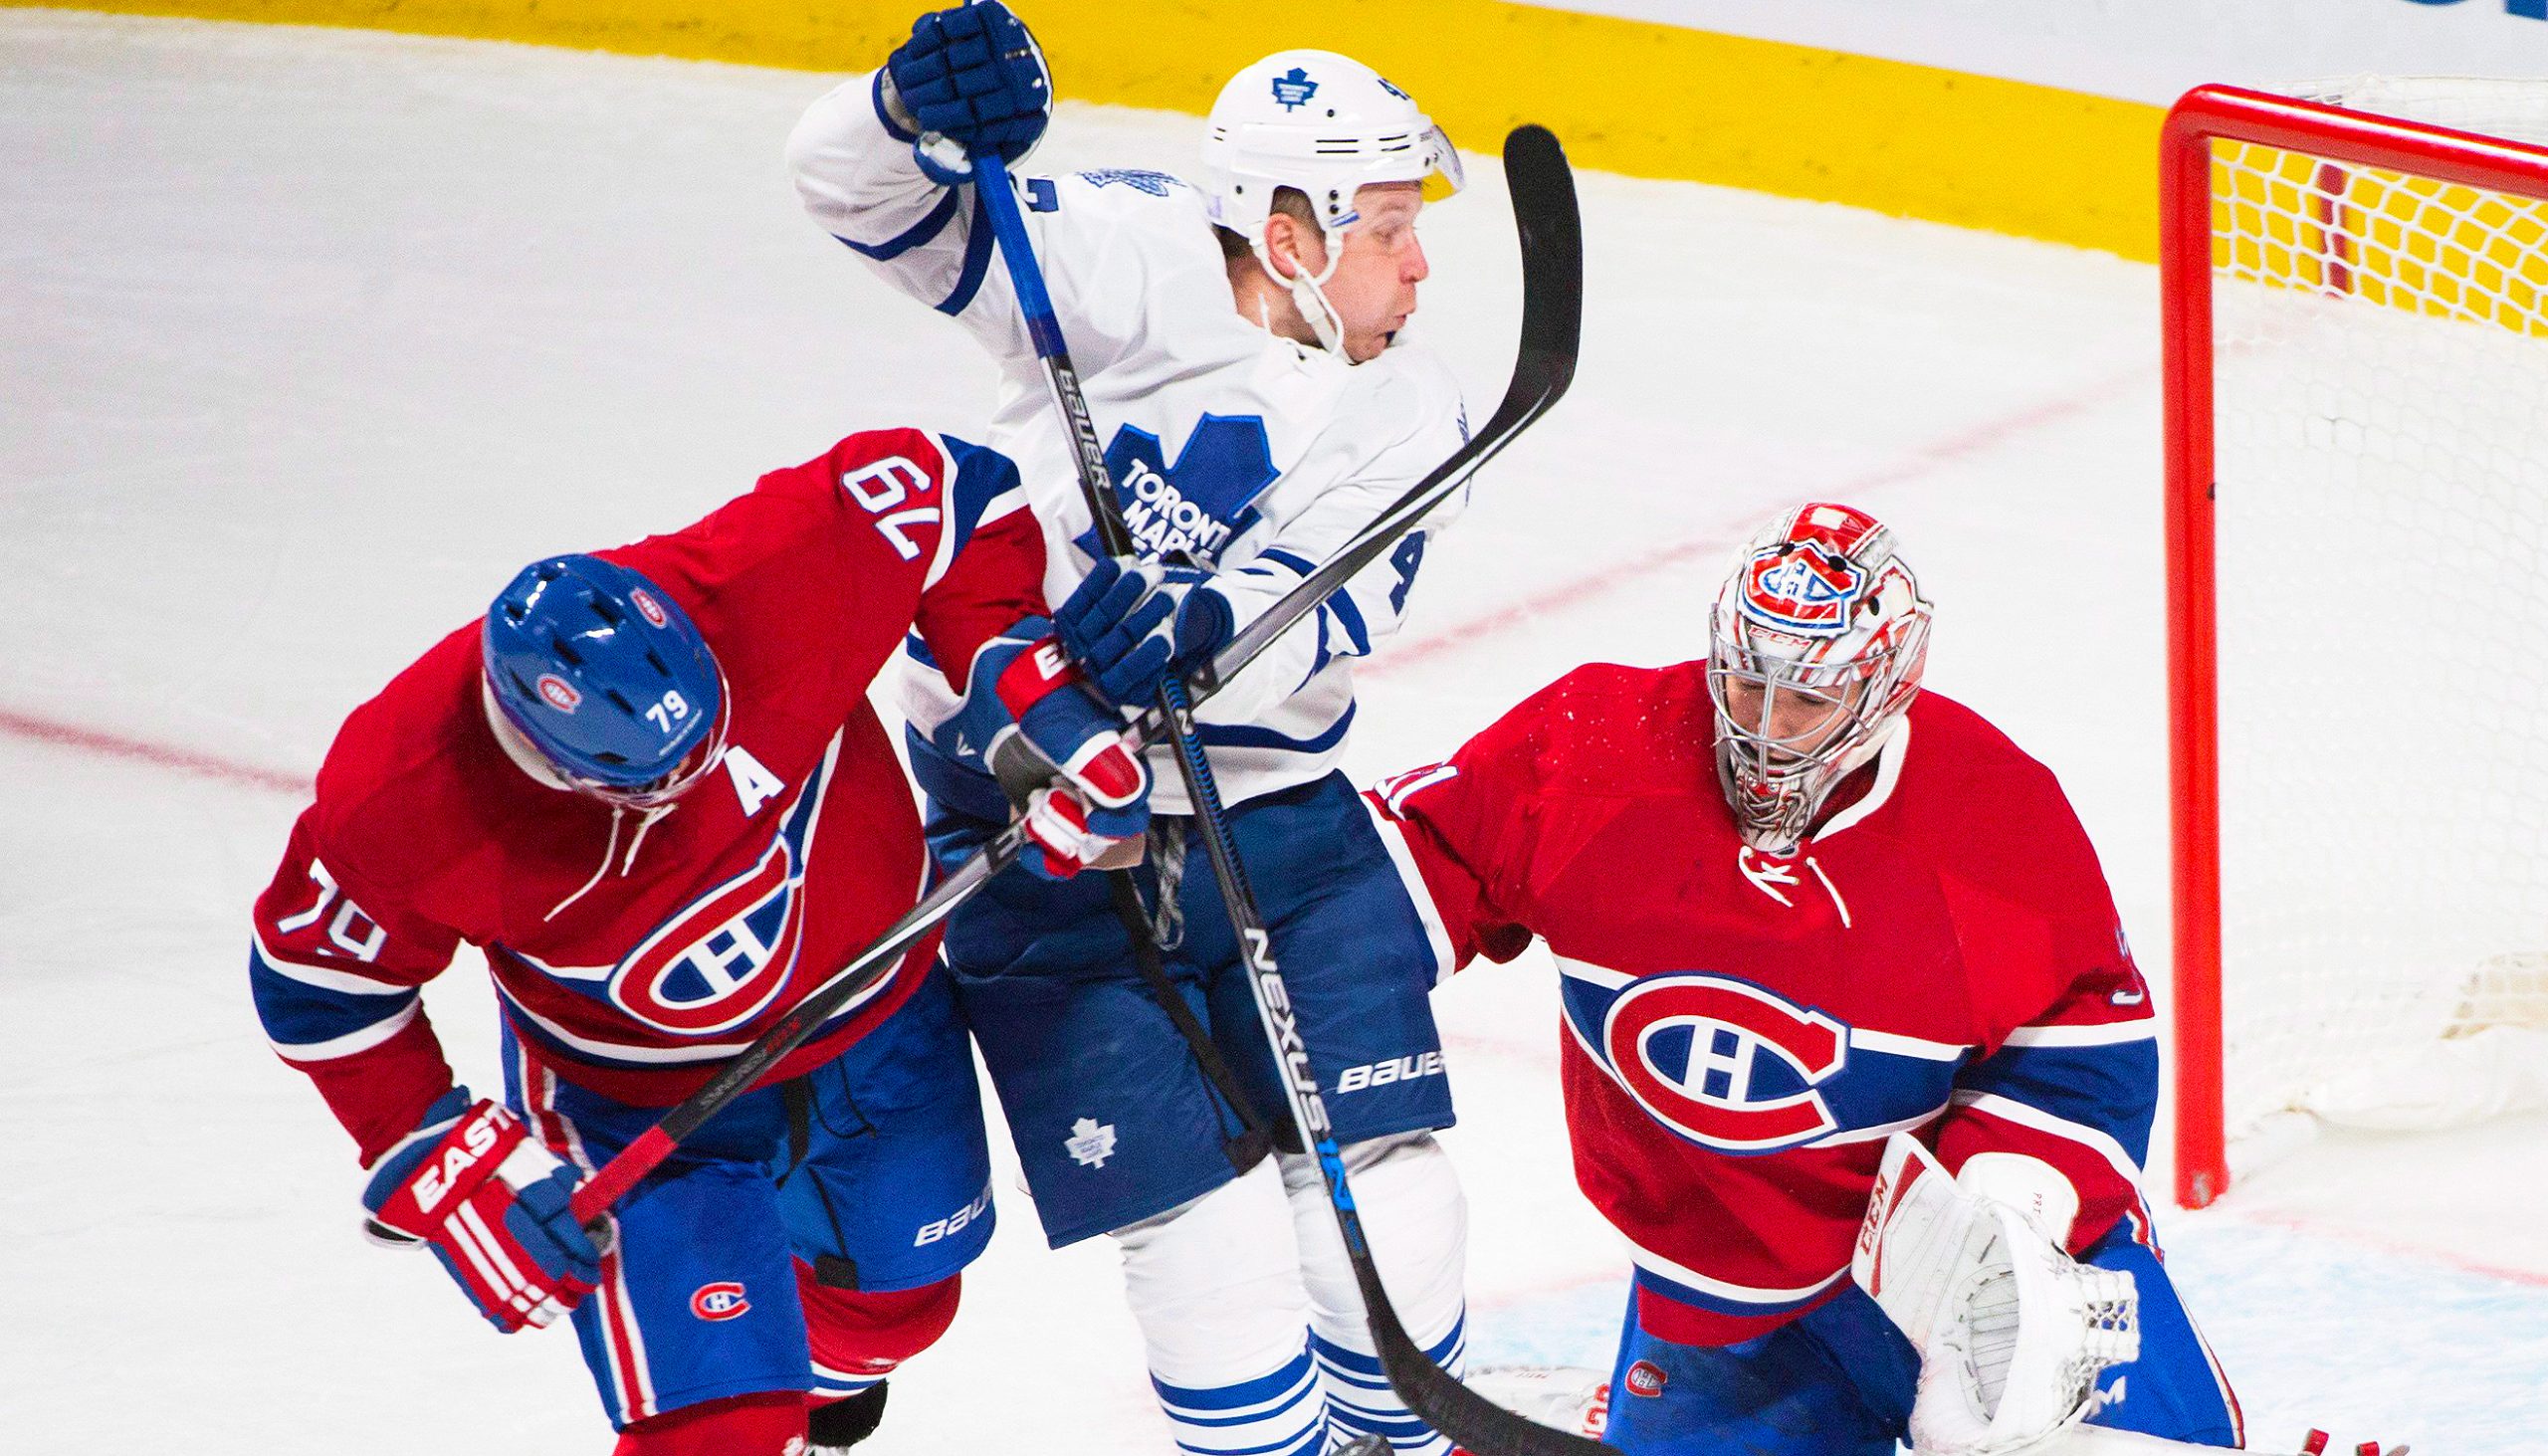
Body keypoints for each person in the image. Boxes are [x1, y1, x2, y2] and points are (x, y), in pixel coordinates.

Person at [789, 7, 1476, 1453]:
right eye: (1391, 227)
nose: (1419, 263)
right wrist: (901, 109)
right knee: (1202, 1245)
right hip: (1034, 823)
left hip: (1282, 822)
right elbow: (872, 201)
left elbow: (1330, 596)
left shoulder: (1410, 398)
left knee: (1390, 1201)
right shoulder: (1128, 258)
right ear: (1292, 228)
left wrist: (1198, 626)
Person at [245, 428, 1149, 1456]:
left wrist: (1025, 696)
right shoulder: (406, 793)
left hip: (883, 1015)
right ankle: (733, 1373)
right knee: (717, 1427)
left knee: (898, 1312)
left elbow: (952, 491)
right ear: (551, 762)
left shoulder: (758, 575)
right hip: (638, 1100)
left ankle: (778, 1366)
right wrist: (431, 1144)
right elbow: (319, 985)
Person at [1360, 503, 2246, 1456]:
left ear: (1884, 685)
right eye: (1746, 688)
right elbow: (1405, 872)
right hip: (1733, 1296)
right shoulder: (1599, 751)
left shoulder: (1994, 817)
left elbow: (2081, 1044)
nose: (1767, 732)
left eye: (1808, 702)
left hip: (1976, 1271)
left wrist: (2004, 1225)